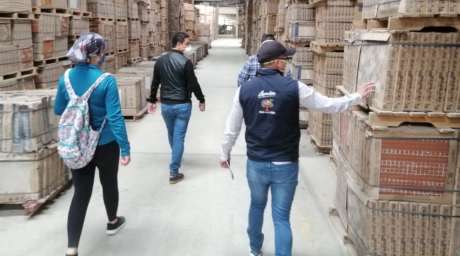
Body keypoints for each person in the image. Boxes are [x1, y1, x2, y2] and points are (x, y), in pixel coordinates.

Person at [220, 41, 375, 256]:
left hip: (257, 163)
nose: (288, 62)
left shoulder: (243, 90)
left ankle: (254, 249)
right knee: (281, 217)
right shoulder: (295, 88)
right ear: (277, 63)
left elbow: (232, 128)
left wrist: (224, 153)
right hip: (285, 164)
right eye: (286, 59)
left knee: (256, 205)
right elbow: (330, 105)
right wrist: (357, 96)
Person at [54, 33, 131, 256]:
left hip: (78, 145)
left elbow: (59, 109)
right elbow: (115, 117)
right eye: (102, 52)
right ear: (96, 54)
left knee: (80, 193)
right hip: (106, 144)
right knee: (109, 183)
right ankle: (113, 222)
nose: (104, 55)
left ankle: (72, 248)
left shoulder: (66, 77)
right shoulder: (106, 80)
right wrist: (125, 148)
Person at [148, 32, 206, 184]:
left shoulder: (160, 61)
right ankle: (174, 172)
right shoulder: (185, 62)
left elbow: (155, 83)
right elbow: (193, 84)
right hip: (182, 105)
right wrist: (201, 99)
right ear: (178, 44)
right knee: (179, 137)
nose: (188, 46)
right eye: (187, 43)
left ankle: (176, 154)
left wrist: (152, 101)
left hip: (166, 105)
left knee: (172, 133)